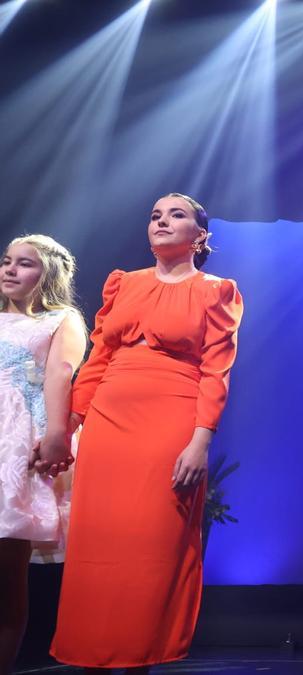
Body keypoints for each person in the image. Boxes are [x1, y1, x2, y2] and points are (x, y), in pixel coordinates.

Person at [51, 193, 243, 672]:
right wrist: (70, 424)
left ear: (200, 236)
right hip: (108, 423)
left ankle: (138, 656)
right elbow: (97, 359)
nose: (162, 221)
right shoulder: (124, 284)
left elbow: (216, 371)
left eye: (176, 215)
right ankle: (93, 653)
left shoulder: (216, 290)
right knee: (99, 541)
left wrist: (201, 439)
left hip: (170, 421)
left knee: (150, 544)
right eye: (156, 215)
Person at [0, 235, 86, 674]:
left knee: (6, 569)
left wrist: (56, 434)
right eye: (7, 261)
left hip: (13, 440)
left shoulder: (59, 320)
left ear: (47, 274)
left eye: (25, 264)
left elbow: (60, 374)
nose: (10, 270)